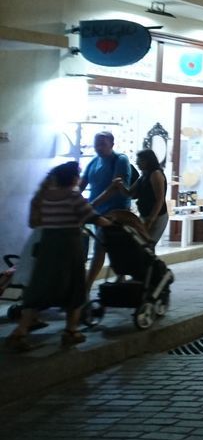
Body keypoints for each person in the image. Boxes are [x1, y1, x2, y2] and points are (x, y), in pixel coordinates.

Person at [6, 162, 114, 352]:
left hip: (47, 247)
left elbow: (36, 222)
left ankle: (20, 332)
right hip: (69, 246)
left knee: (39, 289)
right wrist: (111, 224)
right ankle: (70, 331)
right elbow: (93, 217)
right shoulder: (74, 197)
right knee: (74, 288)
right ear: (73, 179)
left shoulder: (45, 197)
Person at [81, 131, 133, 290]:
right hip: (97, 212)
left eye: (102, 144)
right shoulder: (93, 162)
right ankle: (121, 278)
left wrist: (94, 204)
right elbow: (82, 184)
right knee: (107, 246)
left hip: (115, 212)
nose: (98, 147)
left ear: (111, 143)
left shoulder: (120, 160)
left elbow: (115, 187)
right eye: (96, 144)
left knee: (102, 247)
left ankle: (87, 287)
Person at [125, 149, 169, 245]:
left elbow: (159, 200)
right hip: (145, 215)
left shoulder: (156, 174)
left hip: (157, 217)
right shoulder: (143, 176)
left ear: (148, 161)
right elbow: (129, 193)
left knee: (147, 246)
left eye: (140, 160)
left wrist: (151, 220)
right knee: (141, 245)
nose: (137, 163)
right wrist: (118, 185)